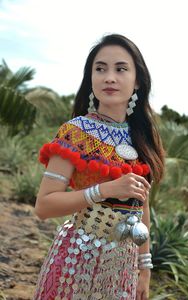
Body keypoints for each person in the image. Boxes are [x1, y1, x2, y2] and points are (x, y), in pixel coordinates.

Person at [34, 33, 165, 300]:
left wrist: (145, 267)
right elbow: (44, 206)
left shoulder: (141, 136)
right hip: (75, 261)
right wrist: (103, 190)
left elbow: (143, 207)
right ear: (90, 77)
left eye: (121, 69)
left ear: (137, 79)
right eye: (100, 68)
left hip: (122, 269)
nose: (109, 77)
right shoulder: (75, 132)